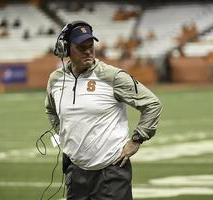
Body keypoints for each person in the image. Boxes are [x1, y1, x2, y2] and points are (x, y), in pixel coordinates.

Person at [45, 20, 162, 200]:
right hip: (75, 173)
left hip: (112, 173)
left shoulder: (112, 76)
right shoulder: (55, 79)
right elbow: (51, 110)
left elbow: (152, 104)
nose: (88, 50)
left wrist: (137, 139)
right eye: (81, 46)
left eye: (90, 45)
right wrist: (63, 134)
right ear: (66, 49)